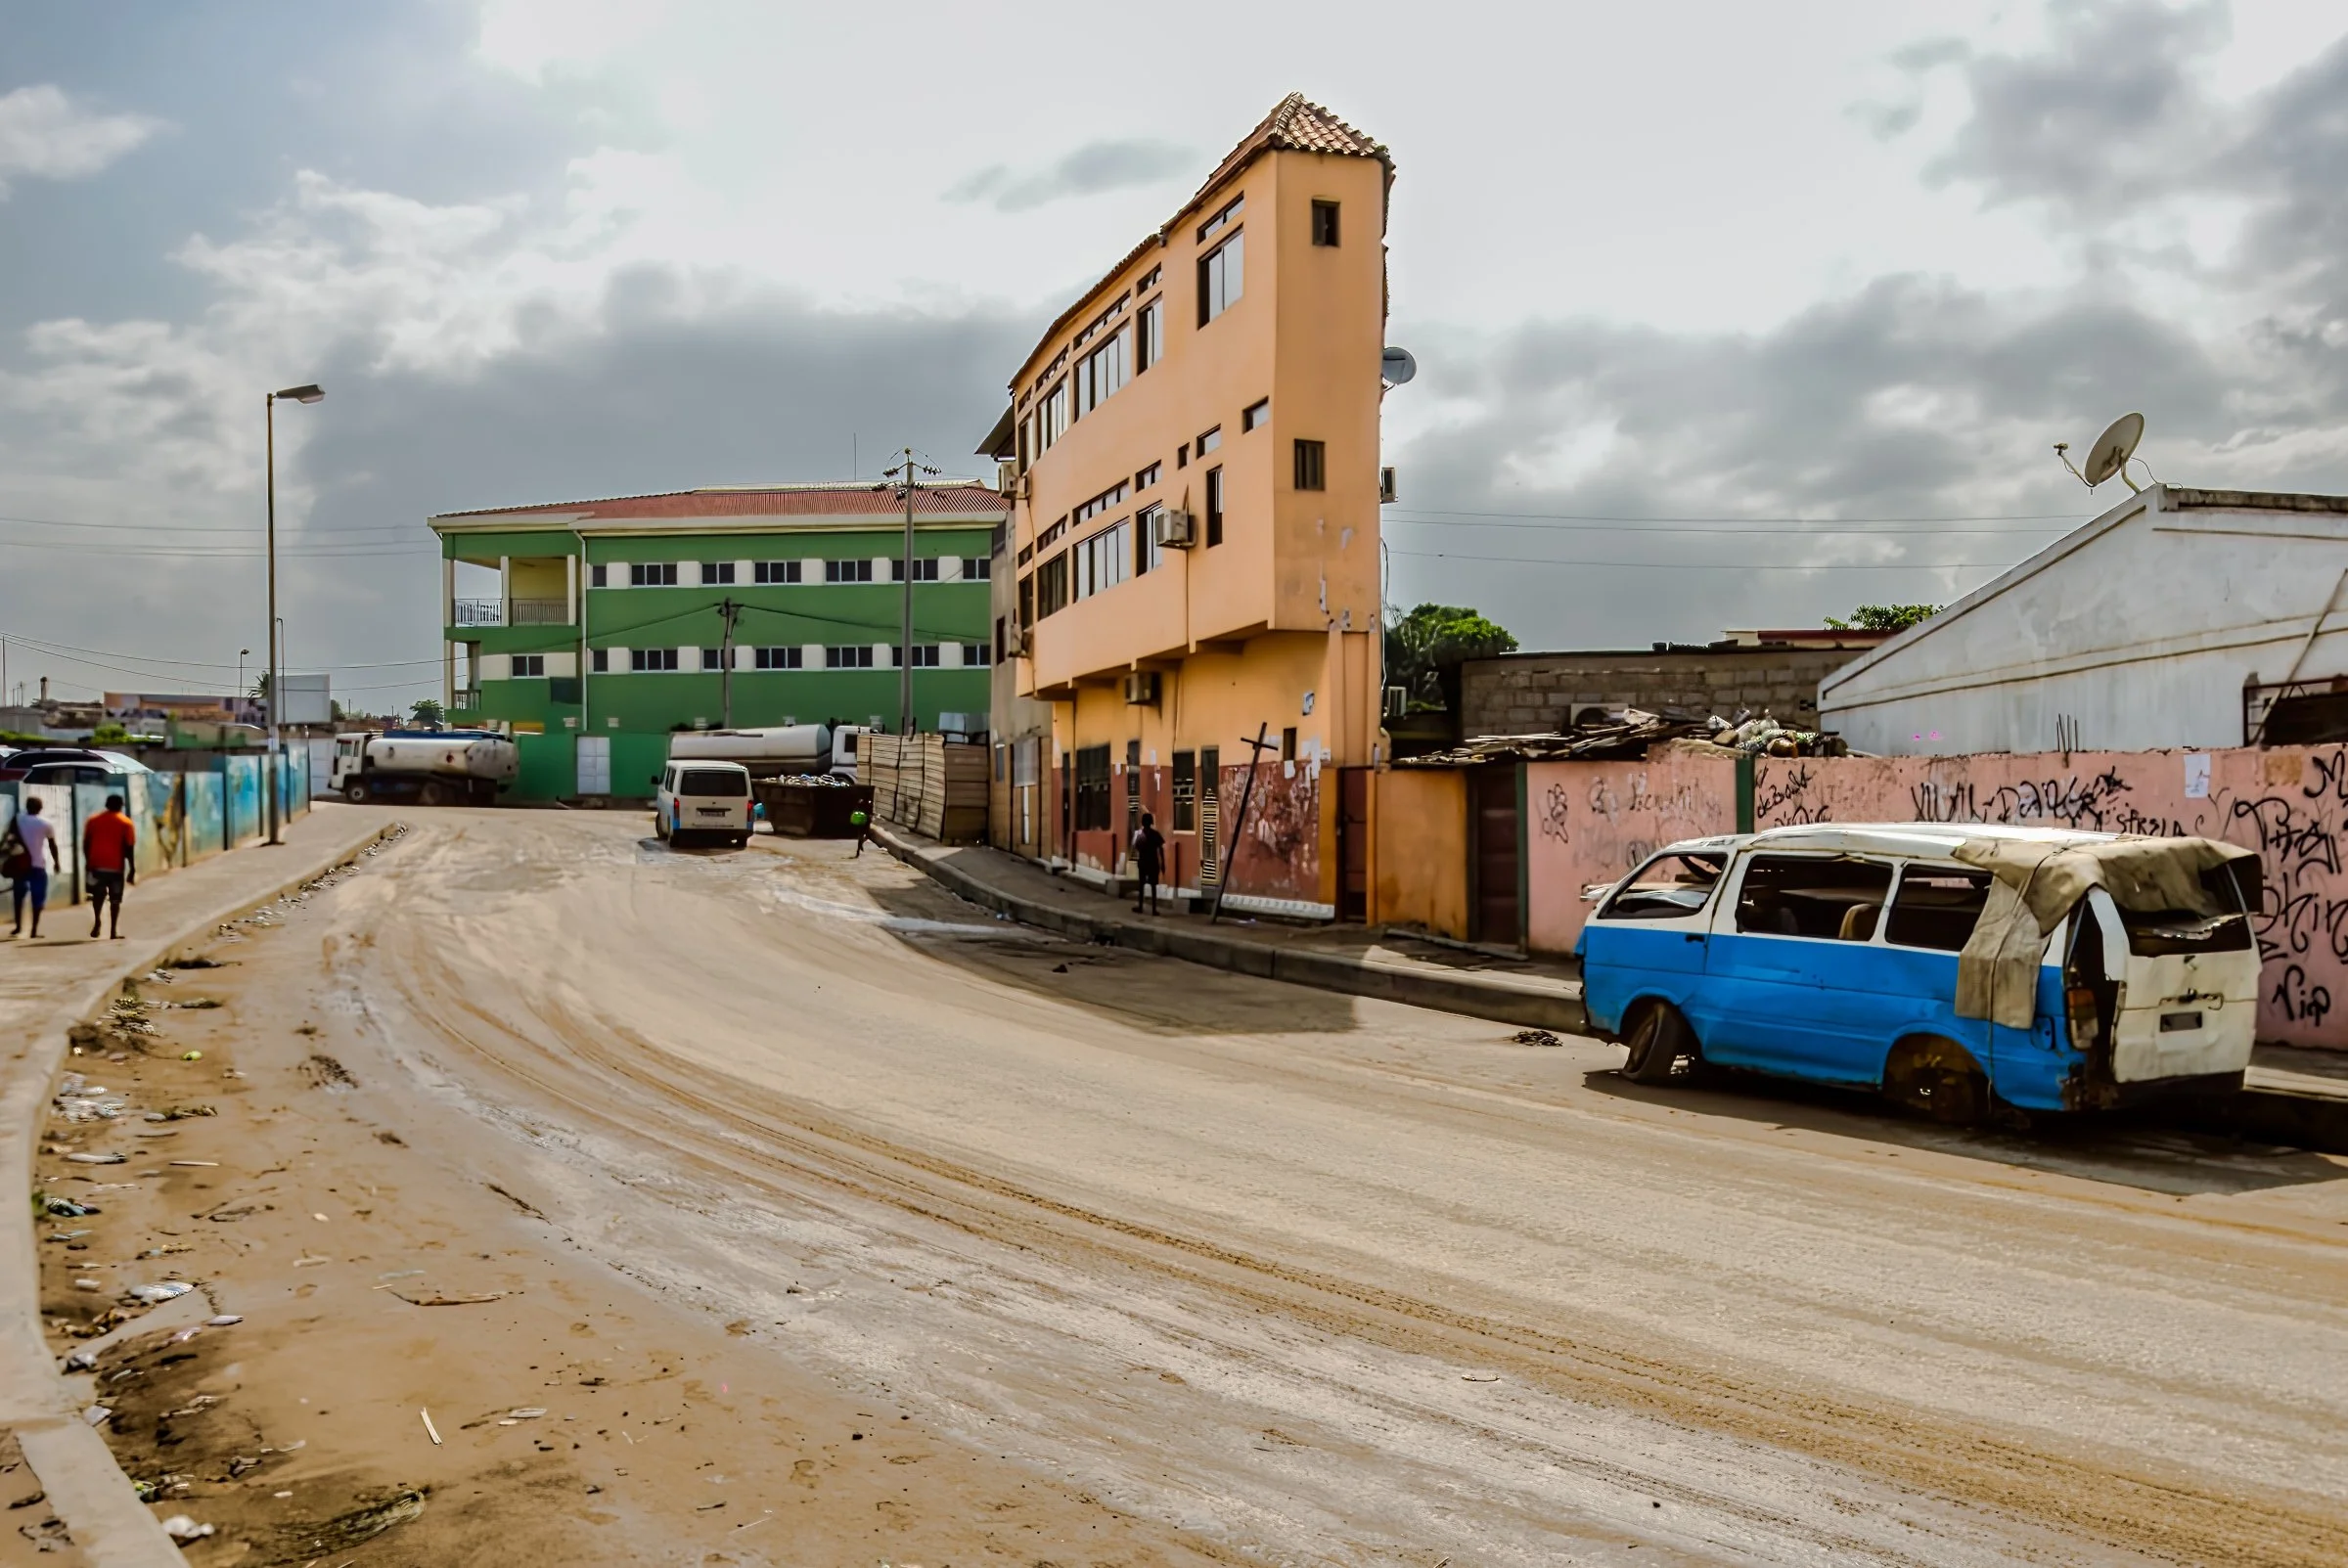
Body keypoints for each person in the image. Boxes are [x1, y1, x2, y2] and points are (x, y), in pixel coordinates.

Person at [4, 797, 62, 939]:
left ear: (26, 806)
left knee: (18, 896)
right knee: (38, 898)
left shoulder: (17, 819)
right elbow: (52, 845)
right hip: (38, 865)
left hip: (20, 864)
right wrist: (56, 862)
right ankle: (34, 930)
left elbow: (8, 838)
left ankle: (18, 927)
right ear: (40, 808)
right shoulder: (45, 824)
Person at [83, 792, 137, 940]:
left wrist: (88, 863)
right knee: (115, 900)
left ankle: (98, 921)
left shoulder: (93, 820)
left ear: (106, 804)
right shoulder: (126, 823)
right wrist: (132, 868)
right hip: (116, 868)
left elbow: (86, 843)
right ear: (121, 806)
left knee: (97, 896)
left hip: (97, 866)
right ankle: (113, 931)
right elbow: (129, 848)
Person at [1130, 811, 1166, 915]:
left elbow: (1135, 847)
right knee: (1153, 886)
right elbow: (1161, 849)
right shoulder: (1155, 834)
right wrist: (1163, 863)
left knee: (1141, 885)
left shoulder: (1139, 834)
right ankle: (1154, 909)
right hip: (1153, 862)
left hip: (1143, 862)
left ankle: (1141, 907)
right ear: (1151, 822)